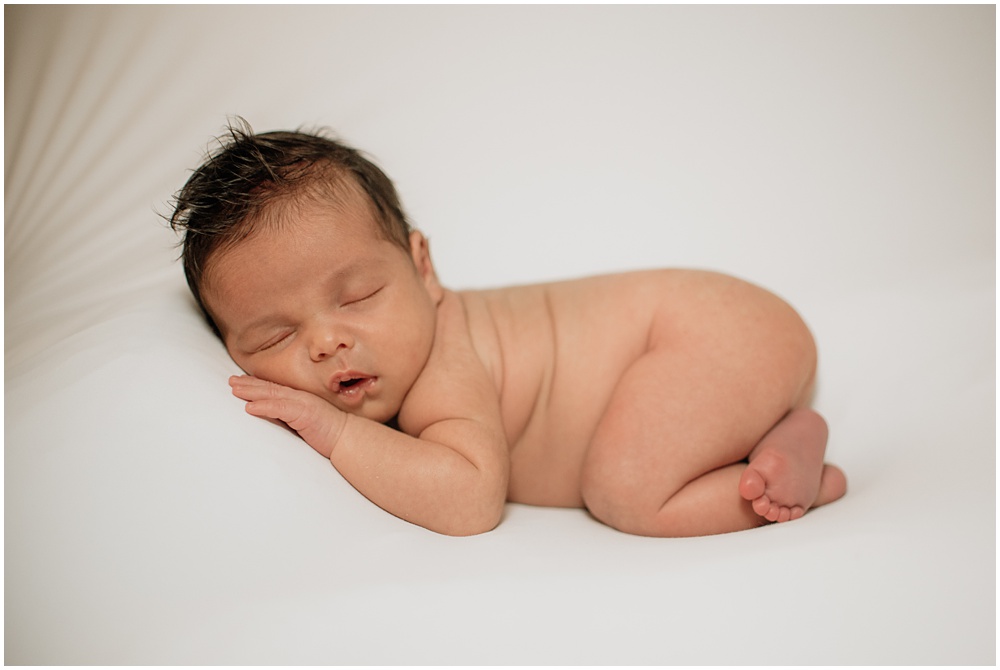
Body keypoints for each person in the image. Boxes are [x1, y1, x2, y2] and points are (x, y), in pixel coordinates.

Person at [169, 120, 847, 537]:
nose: (324, 342)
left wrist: (339, 433)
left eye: (358, 294)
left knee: (626, 491)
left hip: (703, 331)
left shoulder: (444, 364)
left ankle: (791, 487)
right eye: (273, 338)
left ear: (422, 268)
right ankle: (777, 435)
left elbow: (470, 500)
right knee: (640, 457)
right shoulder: (396, 357)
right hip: (712, 341)